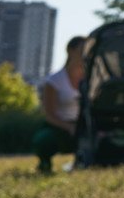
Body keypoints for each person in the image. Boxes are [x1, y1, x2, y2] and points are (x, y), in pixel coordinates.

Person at [32, 35, 87, 174]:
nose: (85, 54)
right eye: (82, 50)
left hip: (85, 125)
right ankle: (44, 164)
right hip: (60, 127)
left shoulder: (92, 79)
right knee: (44, 139)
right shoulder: (54, 81)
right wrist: (70, 127)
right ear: (70, 51)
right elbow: (49, 115)